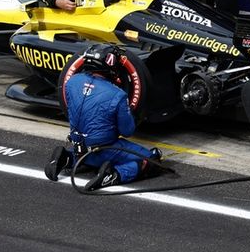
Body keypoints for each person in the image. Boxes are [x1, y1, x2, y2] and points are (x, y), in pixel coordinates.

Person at [44, 44, 164, 191]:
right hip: (105, 149)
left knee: (89, 151)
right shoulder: (118, 95)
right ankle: (113, 174)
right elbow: (127, 131)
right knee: (151, 160)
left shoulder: (71, 82)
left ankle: (66, 158)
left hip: (79, 147)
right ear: (109, 65)